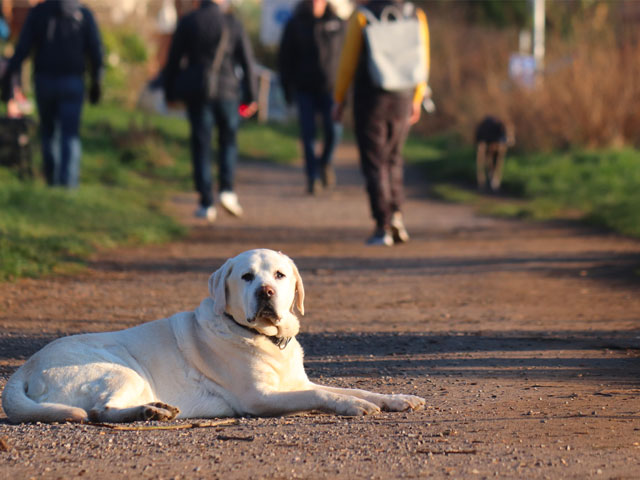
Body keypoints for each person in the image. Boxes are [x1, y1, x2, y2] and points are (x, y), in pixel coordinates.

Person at [333, 0, 430, 246]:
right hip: (404, 98)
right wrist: (417, 97)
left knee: (374, 162)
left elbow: (348, 62)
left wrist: (339, 99)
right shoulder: (415, 14)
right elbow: (423, 59)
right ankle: (396, 215)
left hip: (371, 99)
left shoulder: (362, 16)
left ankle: (382, 226)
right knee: (394, 158)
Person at [163, 0, 257, 222]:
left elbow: (173, 60)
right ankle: (227, 190)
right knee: (228, 141)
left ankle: (206, 202)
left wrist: (169, 94)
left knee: (201, 144)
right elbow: (247, 62)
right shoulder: (233, 22)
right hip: (228, 92)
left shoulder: (189, 21)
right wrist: (251, 97)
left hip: (199, 92)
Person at [1, 0, 103, 188]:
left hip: (45, 81)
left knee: (49, 133)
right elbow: (95, 49)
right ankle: (68, 186)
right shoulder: (83, 14)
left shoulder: (39, 12)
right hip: (73, 82)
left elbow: (23, 47)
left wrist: (9, 75)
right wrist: (97, 80)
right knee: (70, 135)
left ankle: (53, 182)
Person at [278, 0, 345, 195]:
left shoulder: (339, 23)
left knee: (334, 131)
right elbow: (285, 58)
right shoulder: (295, 24)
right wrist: (286, 88)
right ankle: (312, 177)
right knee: (308, 135)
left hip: (331, 89)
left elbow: (348, 56)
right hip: (304, 89)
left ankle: (325, 163)